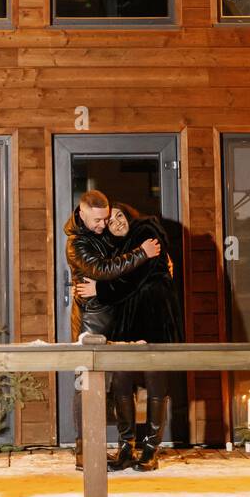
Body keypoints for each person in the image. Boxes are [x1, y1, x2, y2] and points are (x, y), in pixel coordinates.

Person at [75, 202, 182, 471]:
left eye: (120, 216)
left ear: (130, 215)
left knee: (155, 377)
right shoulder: (115, 249)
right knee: (121, 379)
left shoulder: (147, 231)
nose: (117, 223)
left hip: (155, 316)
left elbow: (137, 276)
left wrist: (101, 289)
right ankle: (126, 446)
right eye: (110, 222)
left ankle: (150, 448)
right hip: (127, 320)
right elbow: (122, 273)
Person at [62, 190, 161, 469]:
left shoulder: (101, 232)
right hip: (91, 323)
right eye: (97, 220)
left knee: (115, 385)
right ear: (81, 214)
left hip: (116, 319)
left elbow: (122, 270)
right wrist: (142, 253)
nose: (102, 225)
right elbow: (104, 269)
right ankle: (84, 451)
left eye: (105, 219)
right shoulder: (77, 243)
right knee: (87, 385)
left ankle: (126, 447)